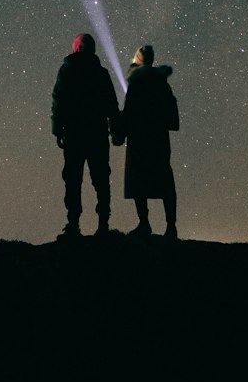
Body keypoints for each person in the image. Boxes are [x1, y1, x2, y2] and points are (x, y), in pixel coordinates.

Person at [51, 32, 123, 240]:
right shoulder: (101, 73)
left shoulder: (67, 70)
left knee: (73, 179)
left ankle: (73, 225)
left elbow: (58, 101)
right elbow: (111, 104)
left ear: (76, 48)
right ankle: (103, 225)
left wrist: (58, 129)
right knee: (101, 179)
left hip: (74, 133)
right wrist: (116, 131)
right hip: (97, 134)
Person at [122, 45, 180, 240]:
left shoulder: (136, 82)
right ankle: (171, 227)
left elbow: (129, 109)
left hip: (139, 137)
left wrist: (120, 132)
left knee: (138, 179)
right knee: (164, 179)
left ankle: (144, 224)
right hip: (159, 138)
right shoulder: (162, 82)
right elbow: (171, 108)